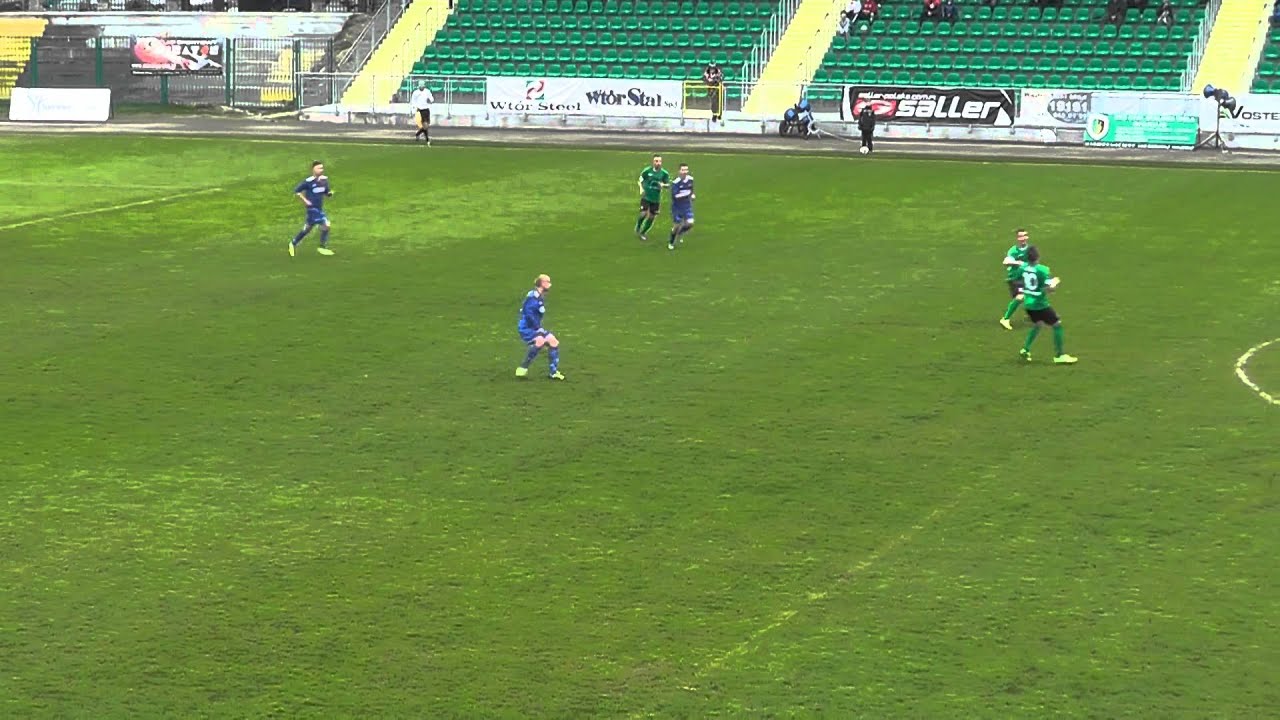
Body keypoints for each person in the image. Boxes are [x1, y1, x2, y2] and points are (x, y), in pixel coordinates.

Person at [1016, 246, 1078, 364]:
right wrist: (1055, 282)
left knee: (1038, 324)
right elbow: (1049, 289)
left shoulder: (1022, 268)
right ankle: (1060, 355)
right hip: (1040, 304)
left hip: (1028, 304)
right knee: (1057, 325)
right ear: (1038, 257)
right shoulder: (1043, 270)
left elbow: (1019, 282)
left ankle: (1025, 349)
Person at [516, 274, 565, 380]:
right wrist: (538, 328)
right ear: (542, 283)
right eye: (548, 282)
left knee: (553, 341)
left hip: (534, 327)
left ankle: (553, 372)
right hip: (526, 328)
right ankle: (523, 368)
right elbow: (528, 314)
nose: (550, 284)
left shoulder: (539, 296)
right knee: (540, 341)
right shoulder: (532, 297)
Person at [289, 160, 334, 257]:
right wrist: (305, 200)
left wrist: (329, 194)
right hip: (312, 209)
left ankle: (293, 243)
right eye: (319, 168)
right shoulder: (308, 182)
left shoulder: (324, 180)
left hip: (319, 208)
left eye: (322, 168)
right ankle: (322, 247)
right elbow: (297, 191)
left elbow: (326, 192)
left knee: (307, 229)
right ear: (313, 169)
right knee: (326, 224)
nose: (321, 170)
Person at [999, 228, 1031, 329]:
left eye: (1025, 235)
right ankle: (1005, 319)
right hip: (1015, 279)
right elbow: (1006, 262)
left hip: (1025, 278)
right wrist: (1017, 263)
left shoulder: (1030, 249)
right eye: (1020, 236)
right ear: (1017, 238)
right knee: (1020, 297)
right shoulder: (1014, 250)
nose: (1023, 238)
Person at [635, 154, 671, 241]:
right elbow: (640, 180)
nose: (658, 163)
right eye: (656, 161)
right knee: (643, 214)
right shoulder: (647, 171)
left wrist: (663, 185)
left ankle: (643, 233)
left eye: (659, 161)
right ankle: (638, 225)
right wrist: (641, 189)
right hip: (646, 196)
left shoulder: (664, 173)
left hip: (656, 199)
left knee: (651, 217)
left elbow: (668, 185)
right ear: (653, 162)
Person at [668, 163, 695, 251]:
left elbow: (691, 190)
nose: (684, 172)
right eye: (683, 170)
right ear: (679, 171)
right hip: (677, 207)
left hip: (687, 206)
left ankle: (680, 233)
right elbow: (675, 196)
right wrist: (686, 194)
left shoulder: (690, 179)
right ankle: (671, 242)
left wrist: (692, 195)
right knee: (676, 226)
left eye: (686, 170)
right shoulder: (676, 182)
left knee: (690, 223)